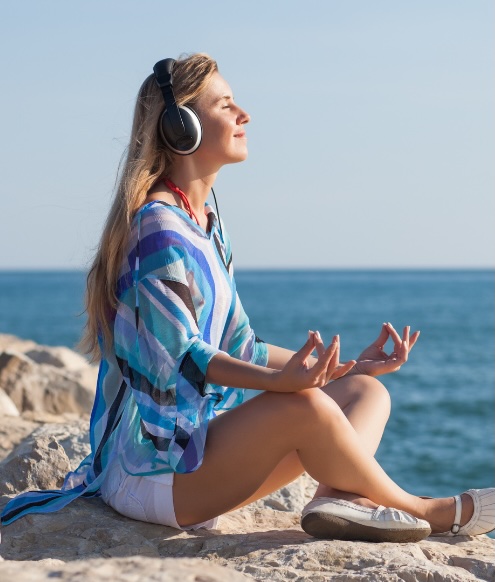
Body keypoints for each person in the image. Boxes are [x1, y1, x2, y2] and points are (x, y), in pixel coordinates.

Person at [2, 53, 493, 543]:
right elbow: (186, 357)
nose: (245, 116)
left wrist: (340, 371)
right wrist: (282, 382)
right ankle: (429, 510)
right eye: (227, 105)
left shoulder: (207, 227)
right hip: (150, 472)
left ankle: (337, 501)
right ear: (181, 128)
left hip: (194, 459)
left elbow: (240, 345)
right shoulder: (157, 228)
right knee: (305, 407)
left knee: (366, 394)